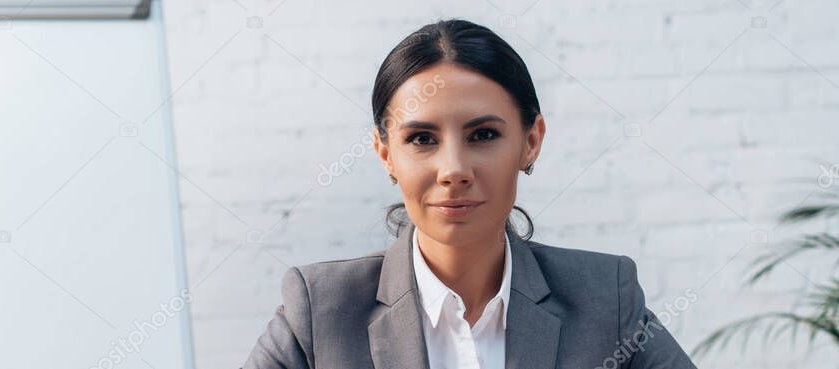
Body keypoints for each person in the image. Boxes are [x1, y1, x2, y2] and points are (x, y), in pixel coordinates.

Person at [242, 19, 697, 369]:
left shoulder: (605, 297)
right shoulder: (320, 310)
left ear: (531, 140)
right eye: (421, 139)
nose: (454, 170)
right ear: (386, 154)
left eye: (482, 135)